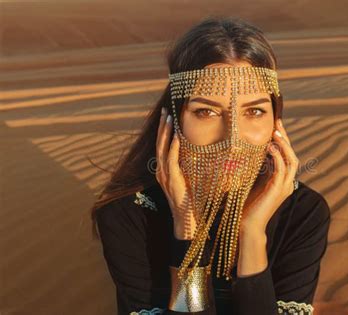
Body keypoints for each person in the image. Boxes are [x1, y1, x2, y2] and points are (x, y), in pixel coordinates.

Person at [90, 16, 331, 315]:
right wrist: (185, 225)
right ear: (175, 119)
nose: (233, 139)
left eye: (254, 111)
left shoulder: (303, 211)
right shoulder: (128, 214)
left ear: (276, 121)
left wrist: (252, 233)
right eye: (206, 112)